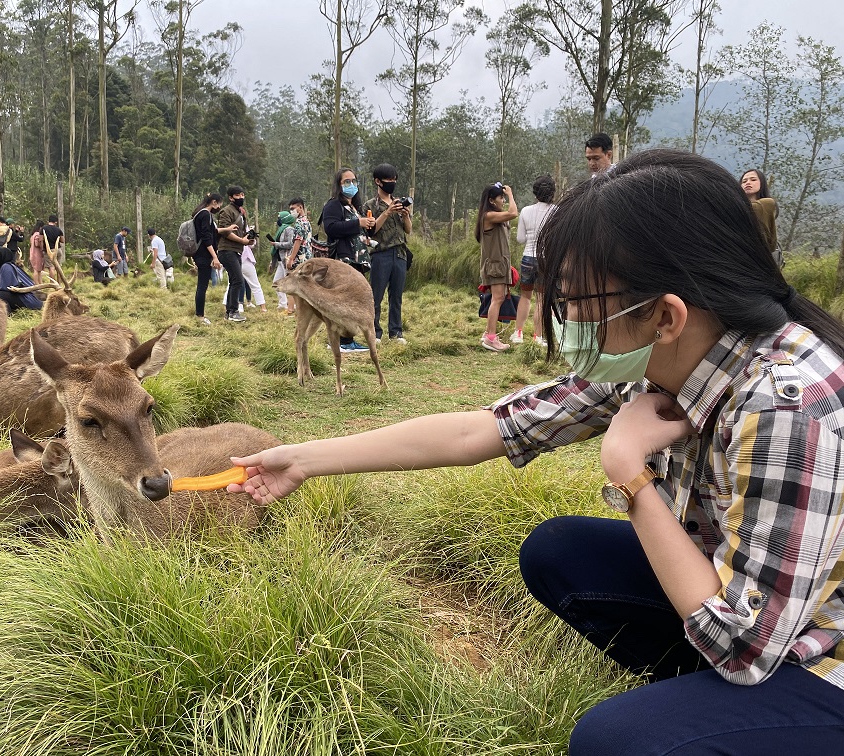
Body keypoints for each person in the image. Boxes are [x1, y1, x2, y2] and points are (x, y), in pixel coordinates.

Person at [229, 148, 844, 754]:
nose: (567, 317)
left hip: (818, 656)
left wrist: (630, 475)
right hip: (746, 603)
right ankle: (694, 706)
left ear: (665, 314)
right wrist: (305, 458)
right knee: (559, 552)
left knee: (613, 741)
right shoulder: (660, 356)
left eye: (578, 301)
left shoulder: (787, 405)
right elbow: (481, 431)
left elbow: (743, 647)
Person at [322, 167, 376, 352]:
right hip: (343, 260)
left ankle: (348, 339)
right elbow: (331, 227)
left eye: (354, 181)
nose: (351, 184)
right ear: (338, 184)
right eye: (347, 181)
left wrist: (365, 230)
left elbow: (354, 230)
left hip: (357, 259)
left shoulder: (355, 206)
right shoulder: (333, 205)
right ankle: (340, 342)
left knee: (353, 300)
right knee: (343, 300)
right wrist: (357, 223)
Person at [364, 163, 412, 344]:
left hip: (399, 253)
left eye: (394, 180)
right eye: (388, 180)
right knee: (375, 295)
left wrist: (406, 215)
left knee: (397, 295)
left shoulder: (399, 202)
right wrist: (387, 212)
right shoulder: (370, 205)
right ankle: (374, 332)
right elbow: (371, 230)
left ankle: (396, 332)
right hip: (380, 253)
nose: (392, 183)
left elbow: (408, 230)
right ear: (378, 181)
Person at [511, 175, 555, 347]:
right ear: (552, 192)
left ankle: (518, 333)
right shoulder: (557, 211)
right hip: (546, 260)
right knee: (542, 299)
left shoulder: (526, 211)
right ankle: (538, 336)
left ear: (535, 193)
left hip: (528, 258)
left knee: (525, 297)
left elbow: (521, 239)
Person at [476, 181, 518, 352]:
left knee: (497, 298)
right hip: (495, 265)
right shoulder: (488, 216)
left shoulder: (494, 216)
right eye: (501, 198)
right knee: (497, 299)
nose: (503, 201)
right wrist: (511, 194)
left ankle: (489, 332)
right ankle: (491, 337)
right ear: (492, 200)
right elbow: (514, 213)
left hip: (499, 264)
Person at [217, 185, 251, 323]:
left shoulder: (241, 212)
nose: (241, 197)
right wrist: (241, 240)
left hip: (237, 250)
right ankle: (233, 311)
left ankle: (230, 312)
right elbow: (225, 231)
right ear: (231, 198)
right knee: (238, 280)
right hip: (227, 249)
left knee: (234, 281)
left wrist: (248, 239)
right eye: (237, 195)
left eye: (242, 194)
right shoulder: (226, 211)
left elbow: (240, 232)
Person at [193, 192, 225, 325]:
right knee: (202, 286)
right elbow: (207, 238)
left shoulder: (200, 213)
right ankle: (200, 316)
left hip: (200, 254)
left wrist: (227, 229)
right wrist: (214, 256)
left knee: (202, 285)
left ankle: (199, 314)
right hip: (203, 255)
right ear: (214, 202)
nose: (219, 207)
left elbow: (213, 232)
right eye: (220, 204)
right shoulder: (205, 214)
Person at [740, 168, 782, 267]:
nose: (748, 183)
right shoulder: (736, 206)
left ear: (762, 183)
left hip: (762, 259)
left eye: (753, 180)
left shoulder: (767, 203)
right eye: (744, 181)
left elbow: (752, 208)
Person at [0, 246, 42, 314]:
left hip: (30, 300)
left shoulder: (6, 267)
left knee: (0, 295)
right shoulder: (10, 266)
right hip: (31, 298)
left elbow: (8, 288)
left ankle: (7, 314)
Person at [270, 209, 297, 311]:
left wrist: (276, 244)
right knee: (276, 282)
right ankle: (283, 304)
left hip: (286, 259)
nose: (278, 220)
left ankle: (293, 305)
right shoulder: (281, 229)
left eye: (279, 218)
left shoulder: (289, 229)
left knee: (290, 283)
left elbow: (290, 243)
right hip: (280, 260)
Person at [28, 220, 47, 285]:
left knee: (39, 270)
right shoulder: (37, 234)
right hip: (36, 254)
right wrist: (42, 245)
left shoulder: (33, 234)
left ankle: (40, 283)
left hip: (33, 253)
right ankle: (36, 283)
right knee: (36, 270)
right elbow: (37, 244)